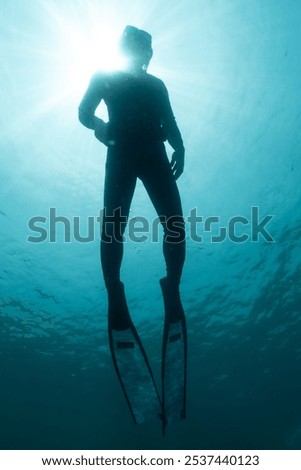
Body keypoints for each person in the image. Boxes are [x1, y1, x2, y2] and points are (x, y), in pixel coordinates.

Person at [78, 25, 186, 329]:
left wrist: (180, 146)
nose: (142, 54)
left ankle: (172, 287)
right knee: (114, 228)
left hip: (150, 156)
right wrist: (101, 128)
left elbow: (170, 121)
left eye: (145, 49)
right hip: (125, 154)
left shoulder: (156, 85)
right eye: (137, 47)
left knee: (174, 225)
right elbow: (85, 112)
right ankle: (115, 293)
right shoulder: (105, 76)